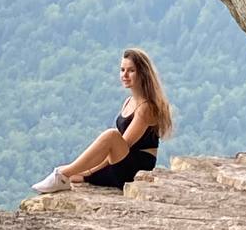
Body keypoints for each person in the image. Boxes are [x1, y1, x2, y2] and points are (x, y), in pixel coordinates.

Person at [31, 48, 173, 194]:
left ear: (142, 74)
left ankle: (61, 175)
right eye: (122, 69)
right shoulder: (129, 101)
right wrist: (85, 173)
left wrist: (89, 172)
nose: (124, 75)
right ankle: (65, 174)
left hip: (135, 170)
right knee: (76, 175)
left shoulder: (146, 108)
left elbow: (122, 145)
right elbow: (113, 151)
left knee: (111, 135)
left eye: (131, 71)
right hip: (122, 163)